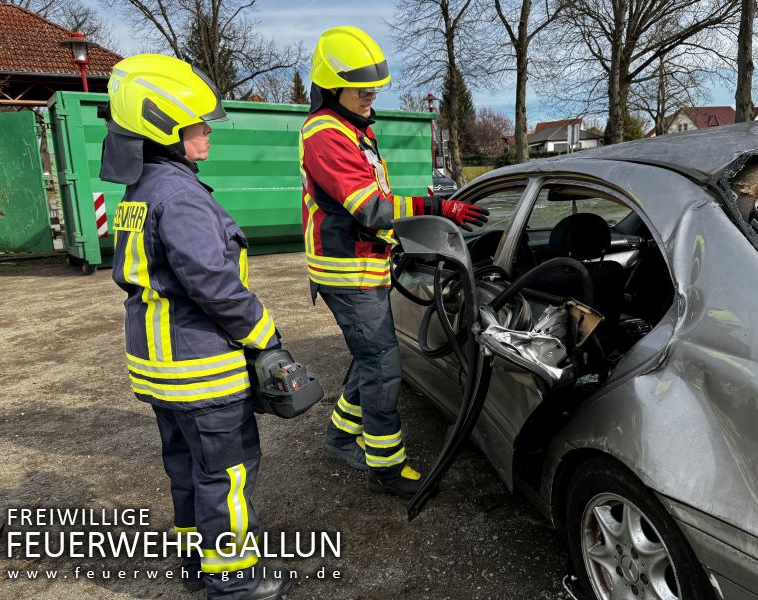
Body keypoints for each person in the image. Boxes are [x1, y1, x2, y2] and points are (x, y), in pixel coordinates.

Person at [101, 54, 292, 600]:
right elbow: (212, 283)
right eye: (197, 124)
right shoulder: (181, 196)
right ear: (165, 129)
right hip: (200, 369)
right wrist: (264, 335)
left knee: (185, 469)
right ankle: (233, 583)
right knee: (226, 479)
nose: (207, 131)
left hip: (159, 368)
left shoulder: (140, 191)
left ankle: (197, 566)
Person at [299, 27, 489, 498]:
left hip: (365, 264)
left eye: (374, 89)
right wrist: (435, 209)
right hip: (348, 273)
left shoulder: (353, 127)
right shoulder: (326, 135)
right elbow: (369, 208)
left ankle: (342, 434)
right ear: (331, 86)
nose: (370, 97)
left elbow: (371, 204)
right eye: (362, 90)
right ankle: (386, 468)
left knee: (370, 358)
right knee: (384, 369)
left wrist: (405, 231)